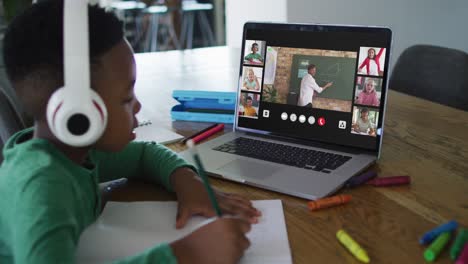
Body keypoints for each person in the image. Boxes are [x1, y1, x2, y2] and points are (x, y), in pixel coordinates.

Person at [0, 2, 260, 264]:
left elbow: (144, 155)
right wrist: (186, 254)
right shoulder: (42, 188)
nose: (137, 105)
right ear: (78, 114)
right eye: (126, 98)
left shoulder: (74, 153)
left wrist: (188, 182)